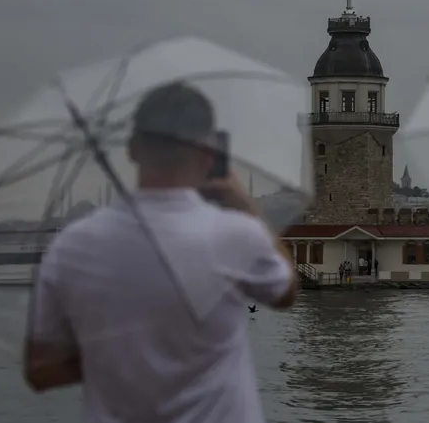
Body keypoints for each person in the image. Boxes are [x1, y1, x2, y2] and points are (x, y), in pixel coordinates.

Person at [23, 82, 299, 423]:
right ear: (209, 154)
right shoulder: (234, 235)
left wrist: (111, 353)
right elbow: (286, 290)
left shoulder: (71, 247)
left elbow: (40, 370)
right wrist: (238, 198)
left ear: (133, 149)